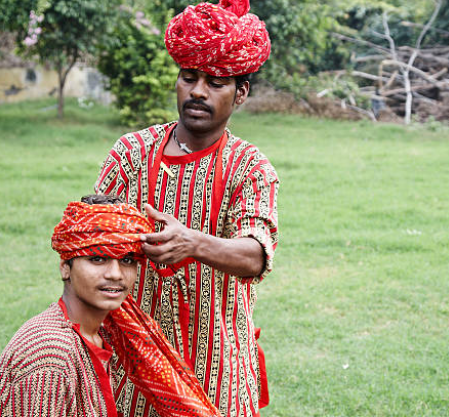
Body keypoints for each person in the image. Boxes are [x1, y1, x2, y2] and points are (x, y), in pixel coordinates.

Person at [94, 1, 279, 416]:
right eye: (189, 77)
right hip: (130, 365)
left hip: (218, 368)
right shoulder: (131, 154)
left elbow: (256, 255)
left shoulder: (250, 168)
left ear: (241, 93)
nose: (197, 91)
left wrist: (192, 243)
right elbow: (93, 244)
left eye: (216, 82)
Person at [0, 194, 152, 417]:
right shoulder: (51, 354)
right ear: (65, 267)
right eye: (97, 259)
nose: (115, 274)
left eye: (127, 260)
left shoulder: (101, 335)